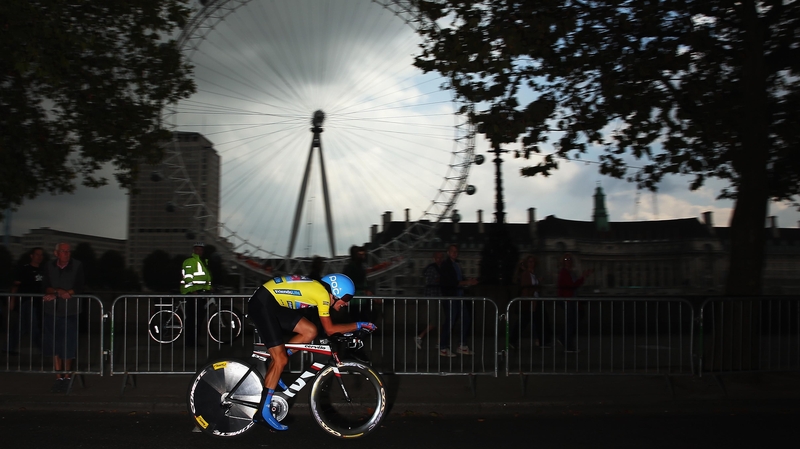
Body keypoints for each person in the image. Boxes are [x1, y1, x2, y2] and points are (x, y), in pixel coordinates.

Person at [247, 273, 376, 431]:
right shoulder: (322, 294)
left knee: (310, 331)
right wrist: (359, 325)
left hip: (270, 303)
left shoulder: (319, 290)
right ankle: (262, 412)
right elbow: (330, 330)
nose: (347, 304)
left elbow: (323, 328)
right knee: (280, 359)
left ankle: (275, 365)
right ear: (336, 292)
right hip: (263, 304)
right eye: (347, 298)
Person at [42, 242, 85, 391]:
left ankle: (67, 376)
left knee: (68, 345)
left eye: (68, 251)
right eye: (63, 251)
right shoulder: (49, 266)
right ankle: (58, 376)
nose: (66, 254)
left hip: (70, 311)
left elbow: (80, 286)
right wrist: (56, 291)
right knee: (54, 345)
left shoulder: (77, 265)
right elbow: (45, 285)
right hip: (52, 310)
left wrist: (68, 293)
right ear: (56, 253)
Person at [438, 244, 478, 357]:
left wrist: (467, 281)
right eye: (452, 251)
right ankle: (443, 347)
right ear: (448, 252)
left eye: (456, 251)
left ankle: (462, 345)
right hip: (451, 297)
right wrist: (467, 283)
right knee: (450, 322)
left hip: (458, 296)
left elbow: (459, 280)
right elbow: (451, 282)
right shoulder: (446, 265)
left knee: (466, 319)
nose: (455, 253)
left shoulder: (457, 264)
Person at [6, 247, 45, 355]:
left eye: (41, 255)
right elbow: (15, 286)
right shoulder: (24, 269)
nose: (39, 257)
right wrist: (12, 300)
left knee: (21, 326)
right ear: (31, 256)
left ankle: (8, 347)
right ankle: (44, 348)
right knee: (33, 326)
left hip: (38, 302)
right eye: (37, 254)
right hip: (27, 302)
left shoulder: (43, 270)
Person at [509, 255, 550, 349]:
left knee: (536, 321)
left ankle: (541, 341)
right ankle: (512, 340)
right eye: (530, 261)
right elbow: (526, 288)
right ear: (527, 263)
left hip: (534, 300)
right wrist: (536, 287)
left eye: (533, 261)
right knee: (524, 322)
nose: (532, 263)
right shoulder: (526, 274)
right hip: (530, 301)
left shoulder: (532, 274)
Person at [557, 252, 592, 353]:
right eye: (566, 260)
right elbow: (572, 285)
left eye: (570, 259)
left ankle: (564, 339)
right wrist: (583, 277)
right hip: (567, 300)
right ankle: (567, 345)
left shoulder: (570, 272)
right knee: (571, 323)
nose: (568, 261)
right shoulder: (564, 272)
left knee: (571, 322)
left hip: (571, 299)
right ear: (563, 262)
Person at [180, 242, 213, 346]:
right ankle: (190, 342)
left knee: (199, 319)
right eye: (197, 249)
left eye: (201, 250)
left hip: (200, 293)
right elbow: (188, 277)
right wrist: (193, 291)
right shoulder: (190, 261)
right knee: (192, 319)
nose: (199, 251)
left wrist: (209, 288)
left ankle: (195, 340)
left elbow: (205, 278)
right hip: (192, 294)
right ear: (194, 250)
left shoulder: (203, 262)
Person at [414, 251, 442, 350]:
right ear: (434, 258)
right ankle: (420, 336)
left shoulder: (438, 268)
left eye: (440, 257)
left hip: (437, 296)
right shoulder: (431, 268)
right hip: (432, 296)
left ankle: (439, 342)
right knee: (435, 321)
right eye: (438, 257)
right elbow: (431, 281)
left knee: (440, 320)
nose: (439, 259)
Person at [342, 245, 375, 322]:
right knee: (361, 318)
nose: (363, 256)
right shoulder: (355, 267)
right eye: (360, 254)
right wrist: (365, 290)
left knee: (356, 319)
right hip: (357, 299)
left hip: (355, 299)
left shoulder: (351, 267)